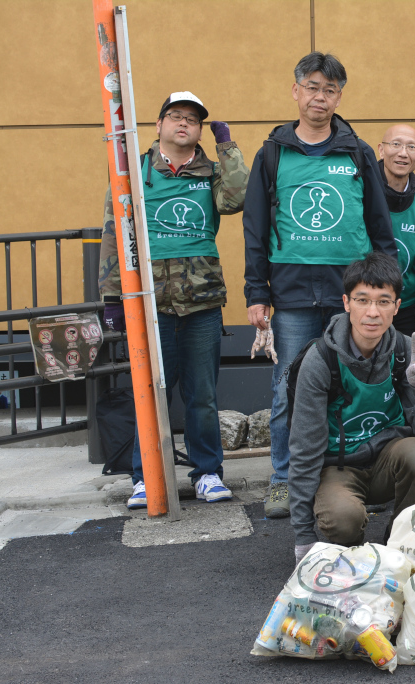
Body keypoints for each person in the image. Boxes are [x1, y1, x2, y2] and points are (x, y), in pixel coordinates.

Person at [243, 52, 397, 519]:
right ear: (296, 91)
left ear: (339, 97)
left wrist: (386, 289)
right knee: (286, 388)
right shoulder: (272, 153)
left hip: (349, 294)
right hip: (290, 294)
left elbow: (379, 224)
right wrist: (256, 292)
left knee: (353, 385)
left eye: (330, 90)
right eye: (312, 87)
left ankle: (351, 474)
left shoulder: (358, 153)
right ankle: (283, 480)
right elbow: (254, 228)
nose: (320, 97)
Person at [99, 91, 248, 509]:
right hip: (150, 304)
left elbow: (236, 199)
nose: (184, 123)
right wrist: (112, 297)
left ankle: (207, 473)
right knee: (150, 395)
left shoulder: (212, 171)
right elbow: (115, 232)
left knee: (203, 397)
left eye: (193, 120)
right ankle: (146, 477)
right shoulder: (135, 170)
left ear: (200, 130)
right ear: (159, 125)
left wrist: (227, 146)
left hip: (201, 302)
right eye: (176, 116)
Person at [288, 253, 415, 562]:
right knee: (343, 519)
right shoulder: (321, 360)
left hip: (388, 461)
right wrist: (303, 537)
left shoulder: (405, 350)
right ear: (346, 303)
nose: (372, 312)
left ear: (396, 307)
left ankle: (400, 543)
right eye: (362, 300)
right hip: (338, 468)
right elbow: (304, 450)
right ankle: (354, 557)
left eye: (383, 302)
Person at [376, 124, 415, 339]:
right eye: (396, 144)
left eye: (411, 147)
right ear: (381, 150)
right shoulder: (362, 193)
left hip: (408, 308)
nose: (403, 153)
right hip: (366, 306)